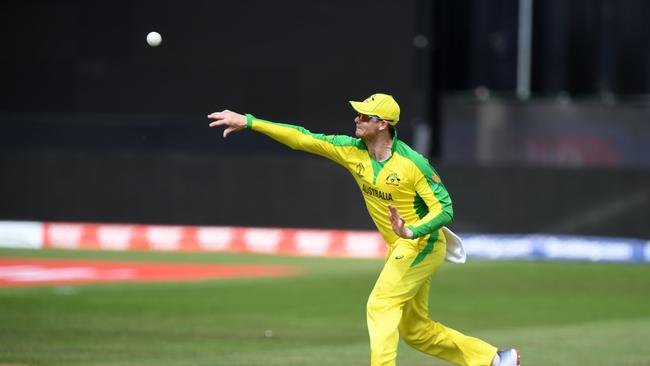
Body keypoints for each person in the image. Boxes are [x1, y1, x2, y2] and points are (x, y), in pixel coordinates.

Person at [207, 93, 519, 366]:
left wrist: (412, 231)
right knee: (416, 332)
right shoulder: (351, 150)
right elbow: (302, 137)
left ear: (383, 124)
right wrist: (250, 122)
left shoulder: (412, 163)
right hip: (400, 246)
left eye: (364, 116)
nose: (356, 119)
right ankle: (493, 359)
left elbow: (445, 208)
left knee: (380, 304)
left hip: (420, 243)